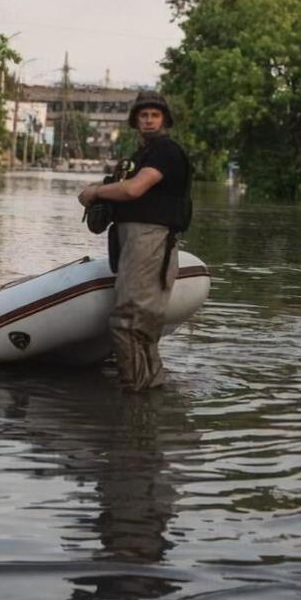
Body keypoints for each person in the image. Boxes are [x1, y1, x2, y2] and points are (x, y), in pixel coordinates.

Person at [77, 91, 191, 391]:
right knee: (134, 319)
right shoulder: (139, 156)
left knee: (130, 319)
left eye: (155, 115)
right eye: (144, 115)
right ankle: (147, 390)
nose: (149, 120)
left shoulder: (165, 151)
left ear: (164, 119)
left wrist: (96, 192)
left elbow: (134, 190)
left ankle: (136, 395)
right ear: (135, 121)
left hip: (150, 240)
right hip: (132, 242)